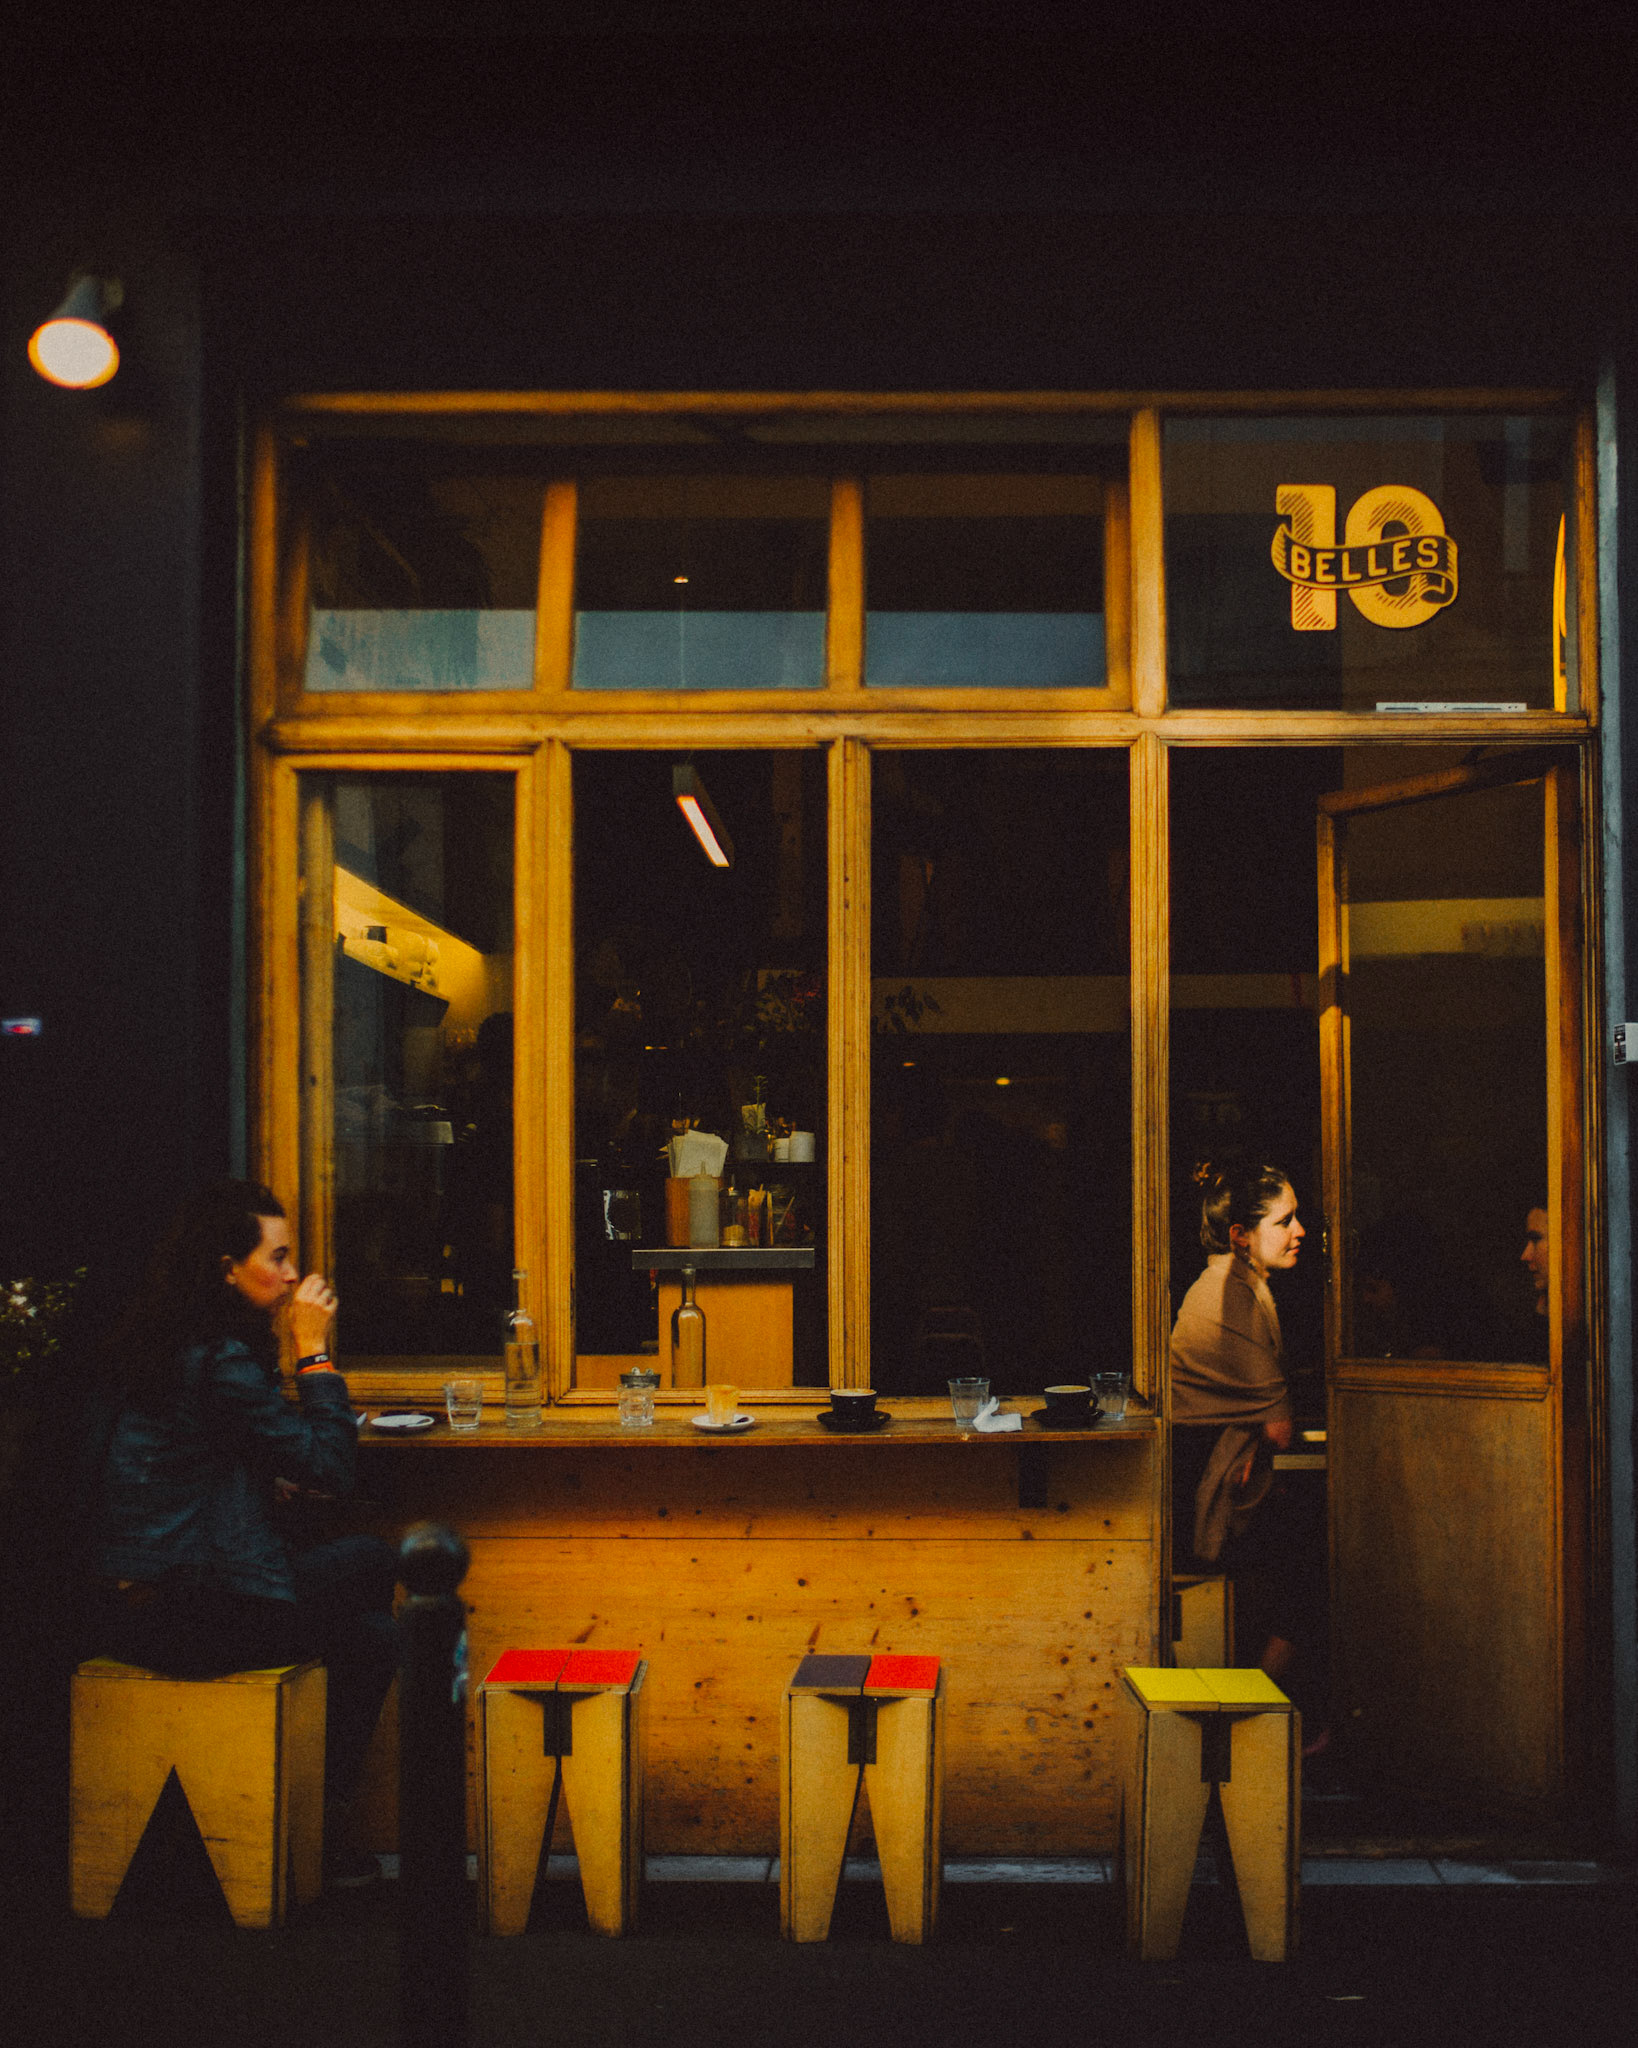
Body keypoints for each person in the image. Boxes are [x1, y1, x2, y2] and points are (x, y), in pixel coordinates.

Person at [87, 1180, 399, 1885]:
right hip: (185, 1611)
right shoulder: (219, 1360)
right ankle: (305, 1830)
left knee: (372, 1636)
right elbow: (330, 1466)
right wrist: (313, 1352)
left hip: (142, 1599)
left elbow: (191, 1460)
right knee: (374, 1563)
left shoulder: (170, 1344)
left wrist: (261, 1481)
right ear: (227, 1267)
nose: (291, 1275)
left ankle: (294, 1827)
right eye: (278, 1257)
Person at [1169, 1160, 1310, 1692]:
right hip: (1200, 1493)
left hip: (1217, 1478)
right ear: (1240, 1236)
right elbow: (1279, 1429)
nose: (1300, 1231)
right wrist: (1260, 1431)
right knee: (1323, 1560)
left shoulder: (1236, 1284)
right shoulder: (1230, 1296)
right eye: (1284, 1221)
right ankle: (1249, 1706)